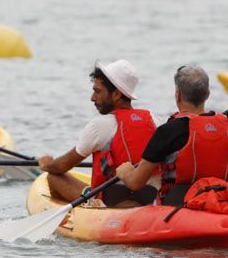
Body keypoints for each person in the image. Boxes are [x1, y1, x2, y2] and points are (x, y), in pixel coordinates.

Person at [116, 65, 228, 205]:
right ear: (207, 94)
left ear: (177, 95)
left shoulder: (168, 131)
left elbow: (136, 183)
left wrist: (125, 172)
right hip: (224, 202)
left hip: (179, 205)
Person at [37, 60, 159, 208]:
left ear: (116, 94)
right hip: (151, 197)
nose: (92, 97)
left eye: (98, 91)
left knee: (53, 177)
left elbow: (62, 166)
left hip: (114, 201)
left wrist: (47, 165)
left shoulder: (99, 125)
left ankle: (85, 207)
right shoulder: (153, 119)